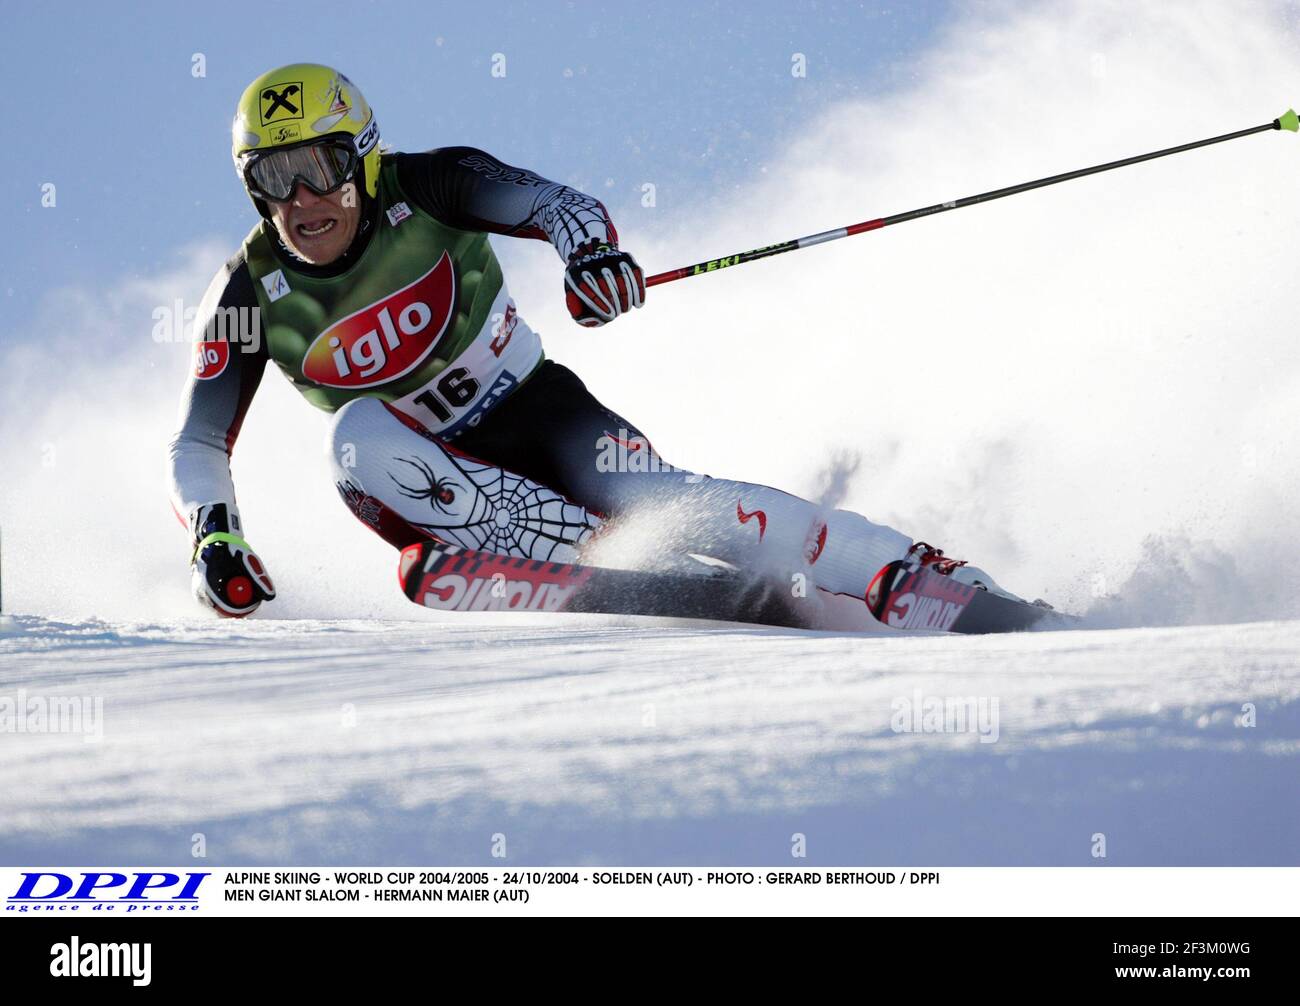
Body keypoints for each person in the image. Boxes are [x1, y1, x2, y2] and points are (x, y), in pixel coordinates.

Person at [168, 62, 1008, 618]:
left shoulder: (427, 185)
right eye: (271, 180)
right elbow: (198, 439)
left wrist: (591, 256)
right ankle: (562, 554)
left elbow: (553, 203)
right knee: (352, 436)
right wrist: (216, 533)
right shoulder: (247, 291)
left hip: (538, 410)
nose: (300, 199)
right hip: (420, 475)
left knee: (668, 500)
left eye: (318, 166)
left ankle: (913, 575)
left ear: (365, 159)